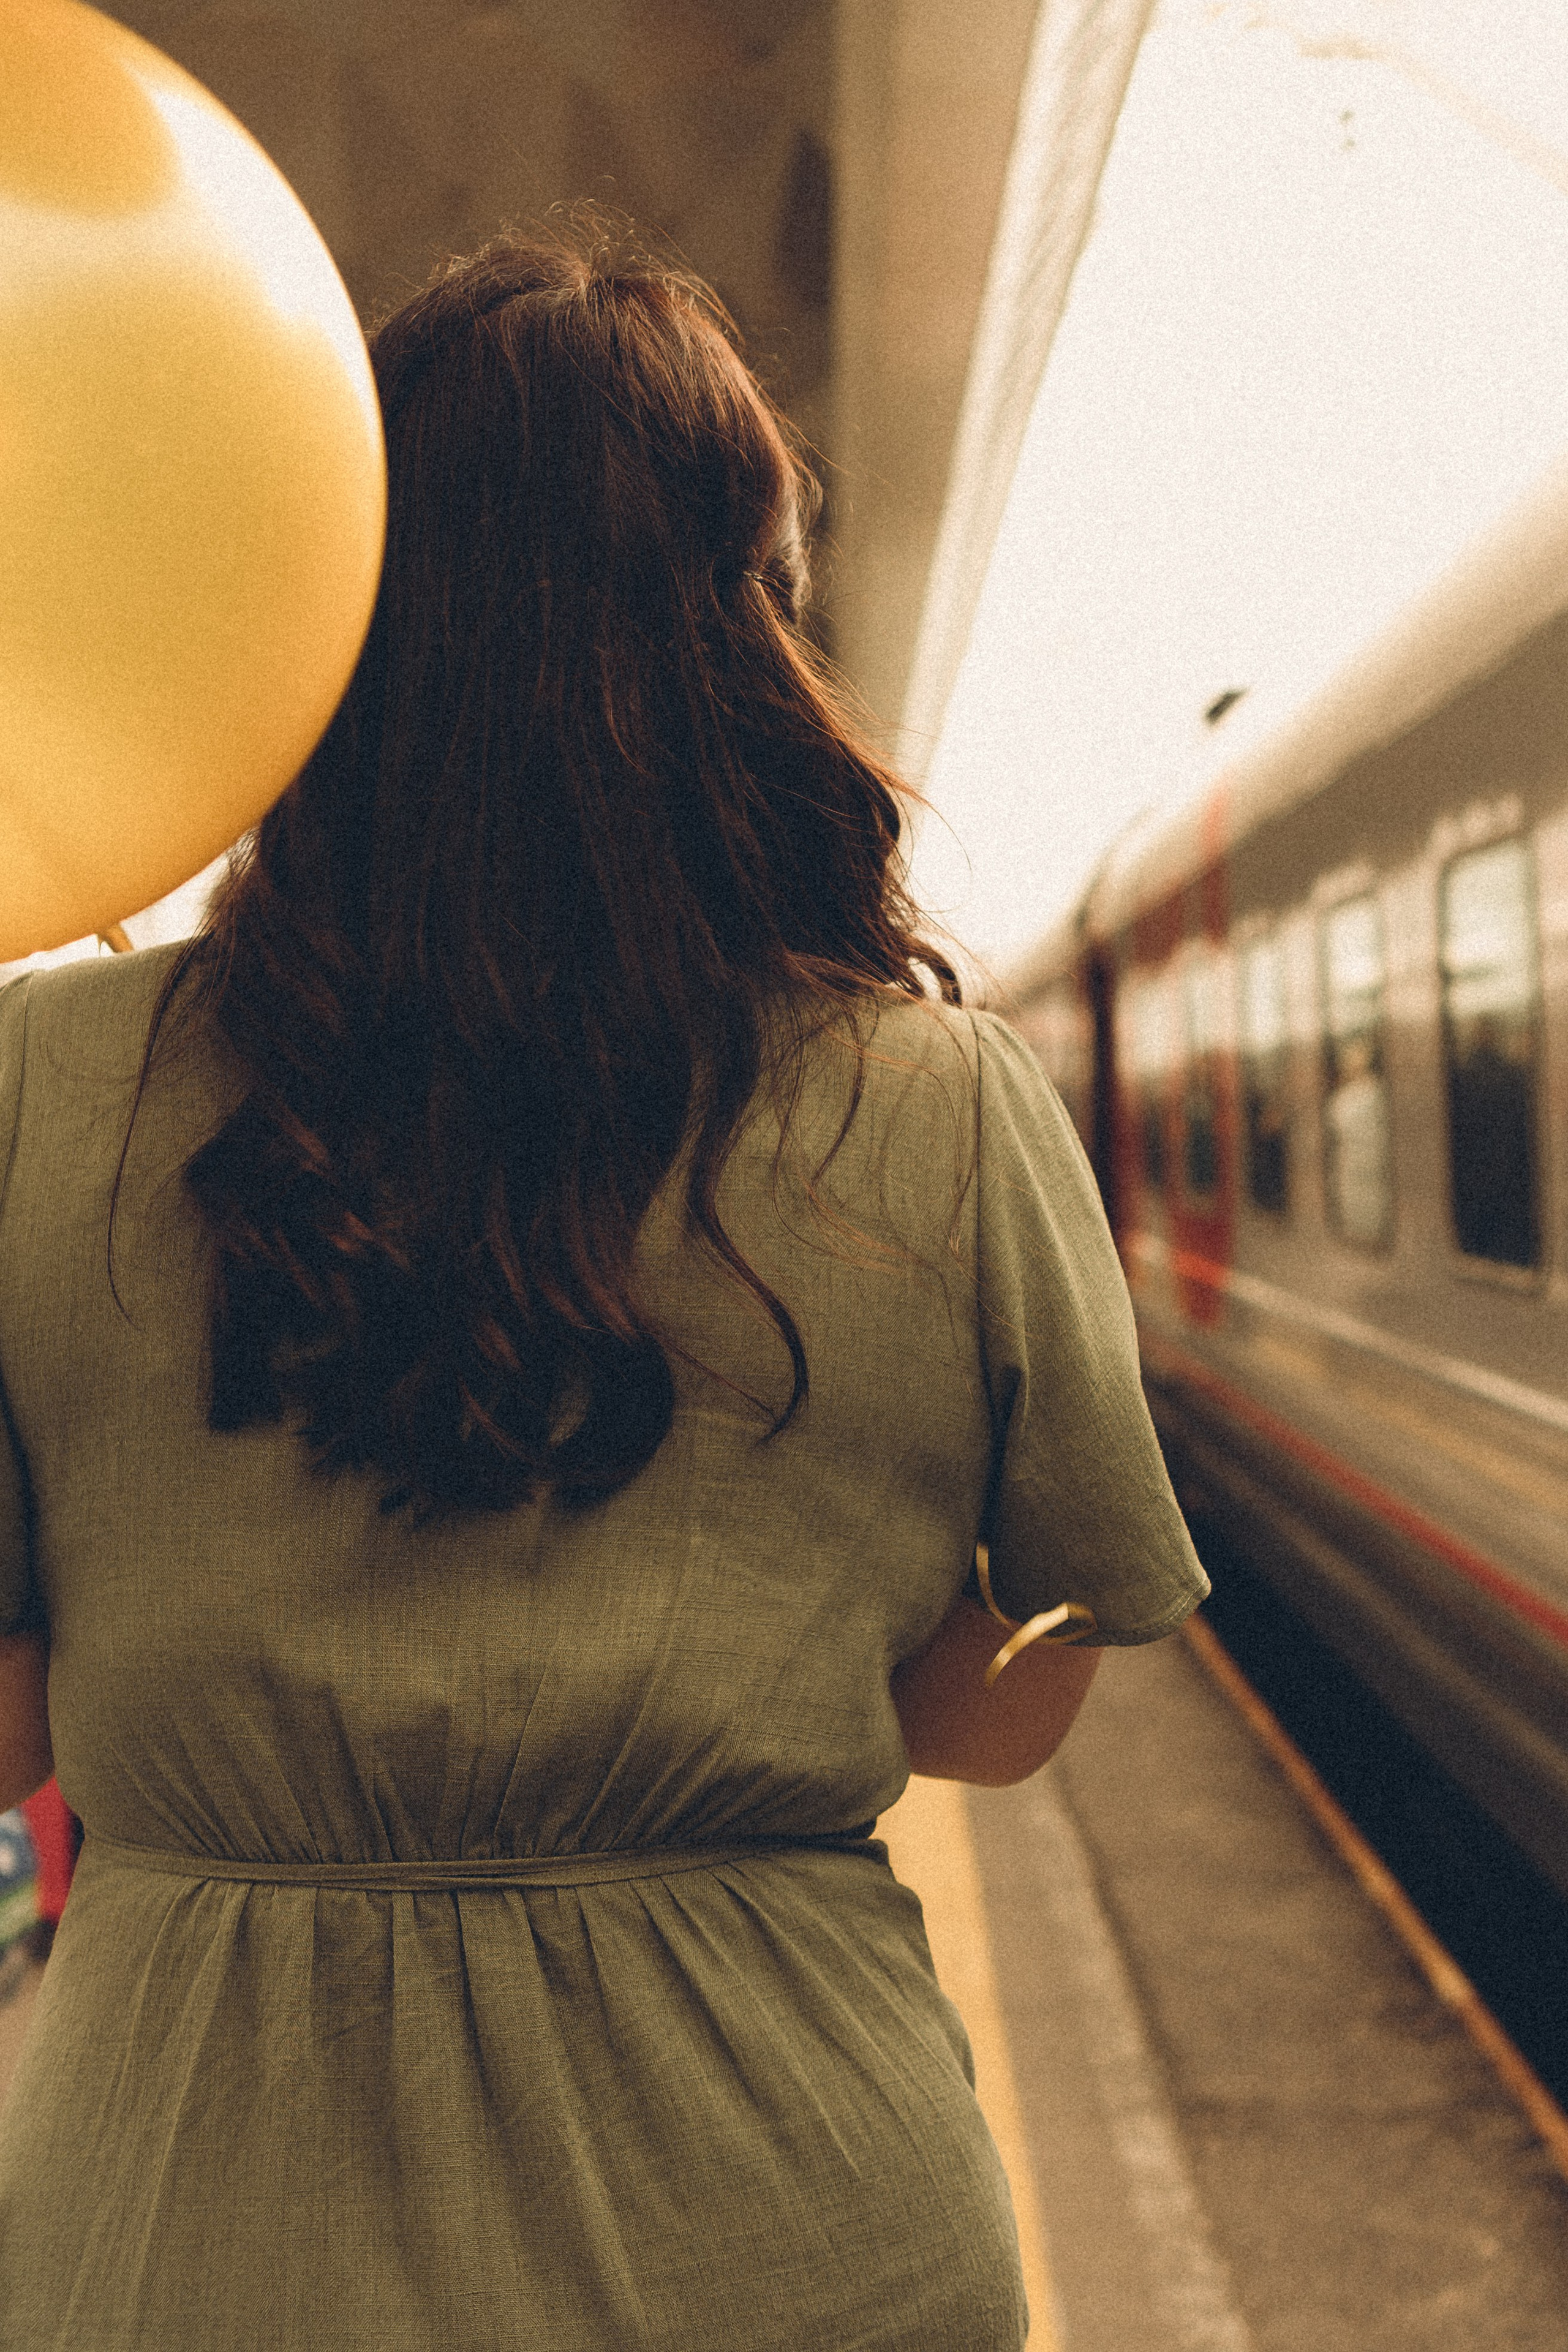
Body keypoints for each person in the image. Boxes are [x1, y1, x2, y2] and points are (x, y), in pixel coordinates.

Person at [0, 224, 1208, 2350]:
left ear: (329, 602)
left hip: (192, 2220)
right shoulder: (937, 1105)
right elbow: (1012, 1707)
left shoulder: (47, 1081)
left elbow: (8, 1714)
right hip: (793, 2214)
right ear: (740, 628)